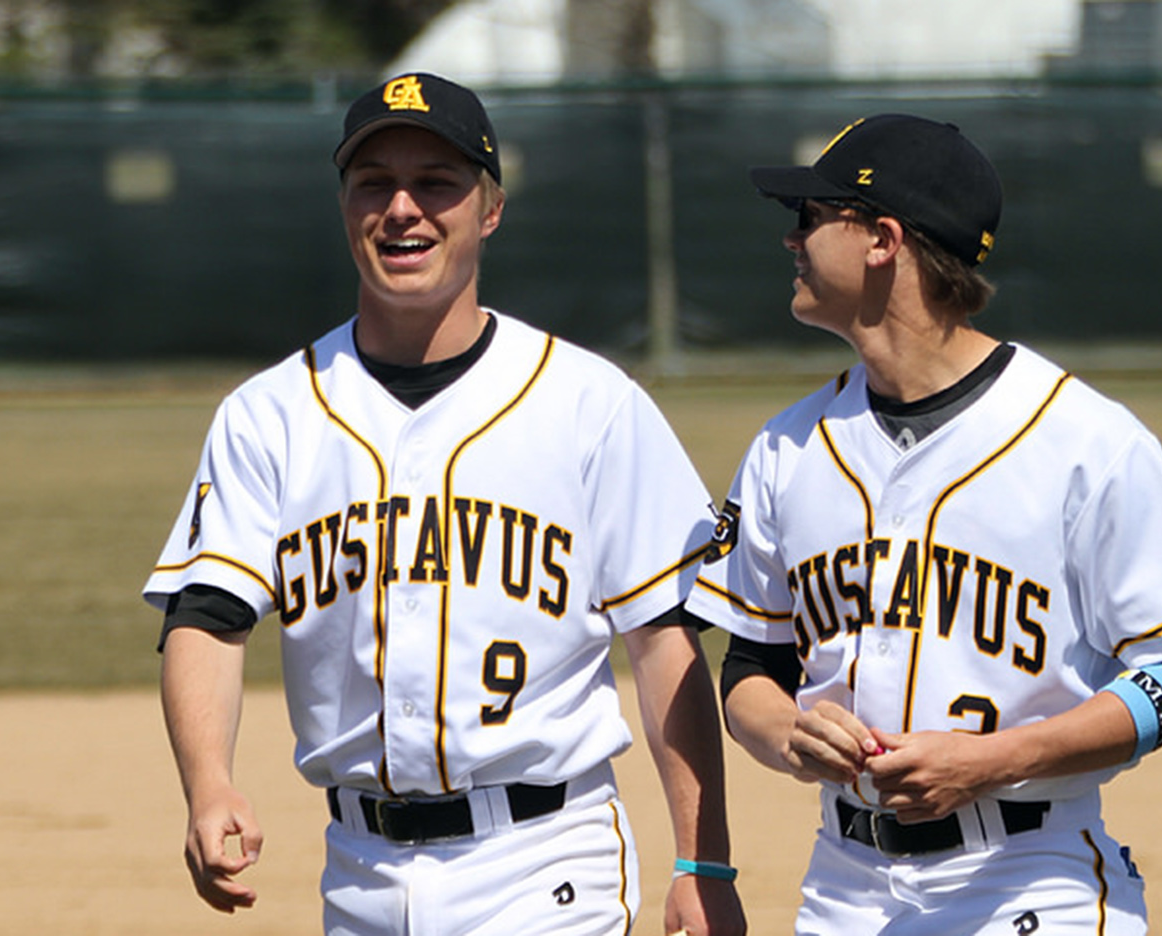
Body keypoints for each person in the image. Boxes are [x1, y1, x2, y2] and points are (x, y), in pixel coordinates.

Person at [145, 72, 745, 936]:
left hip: (544, 862)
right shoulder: (269, 412)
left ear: (489, 209)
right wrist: (208, 783)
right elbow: (206, 614)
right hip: (358, 869)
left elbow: (663, 644)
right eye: (373, 183)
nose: (402, 209)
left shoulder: (588, 402)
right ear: (345, 205)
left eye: (436, 183)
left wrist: (703, 860)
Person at [685, 113, 1162, 935]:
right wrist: (789, 735)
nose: (792, 240)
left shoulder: (1084, 440)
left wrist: (993, 761)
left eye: (810, 217)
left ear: (883, 239)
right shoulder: (787, 446)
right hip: (842, 887)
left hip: (1029, 876)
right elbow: (749, 666)